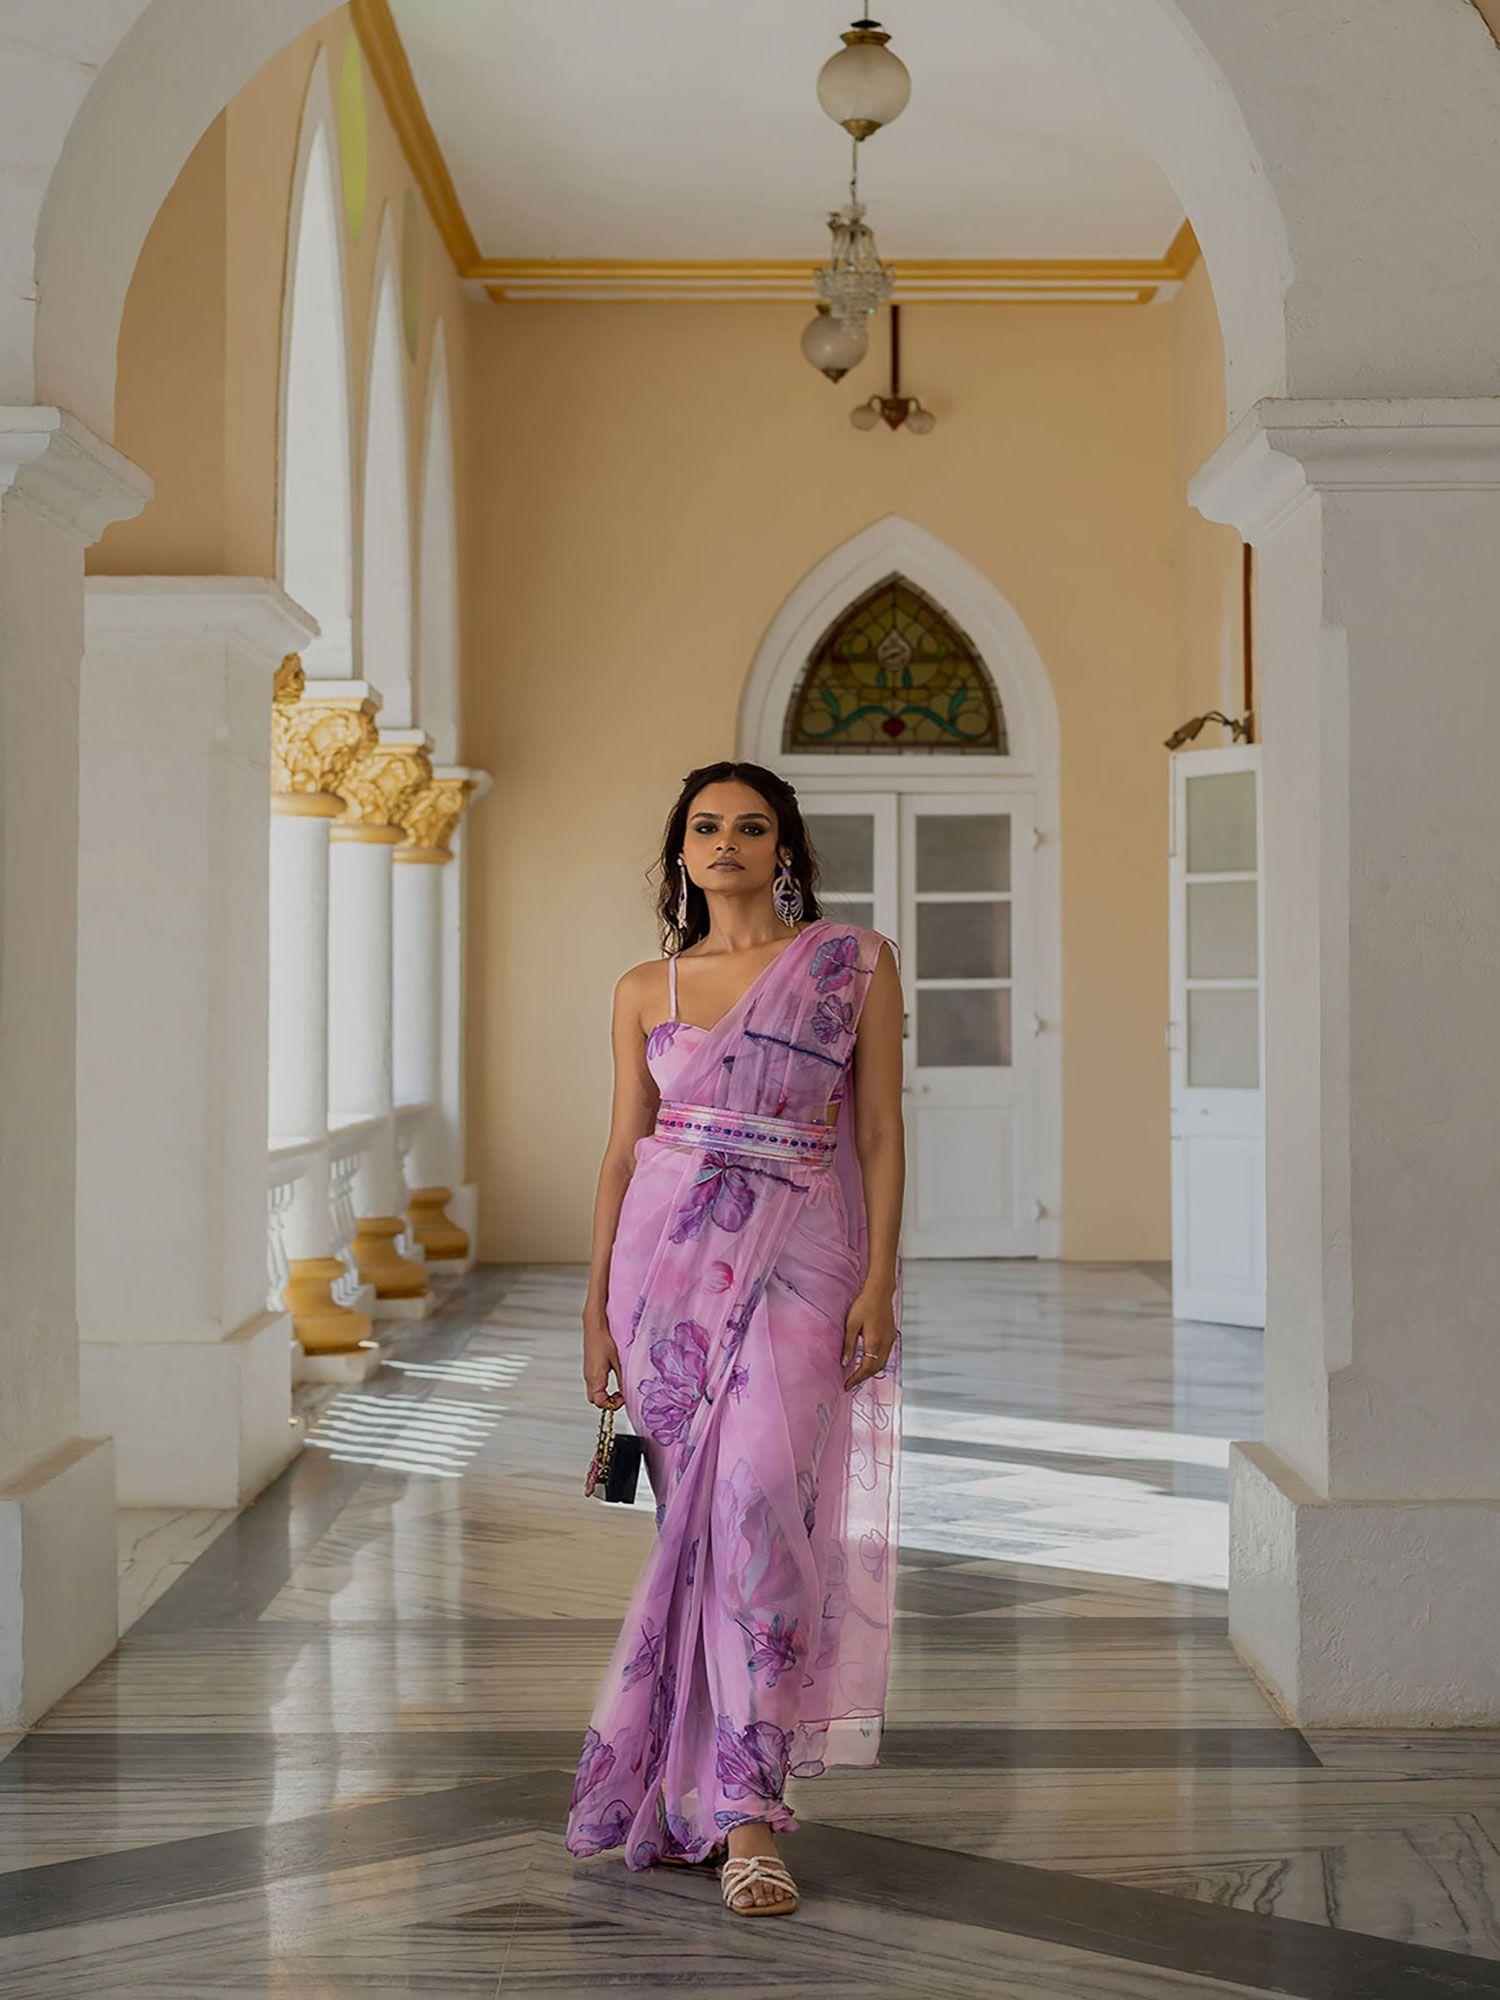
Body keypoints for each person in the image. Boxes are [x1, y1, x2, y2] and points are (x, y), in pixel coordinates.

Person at [564, 759, 905, 1918]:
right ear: (682, 851)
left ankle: (750, 1804)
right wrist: (593, 1302)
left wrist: (881, 1282)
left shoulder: (849, 965)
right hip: (662, 1283)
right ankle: (716, 1803)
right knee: (696, 1531)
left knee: (764, 1508)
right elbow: (621, 1149)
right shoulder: (642, 985)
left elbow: (881, 1130)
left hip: (807, 1255)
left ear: (785, 847)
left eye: (750, 826)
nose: (726, 842)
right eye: (704, 826)